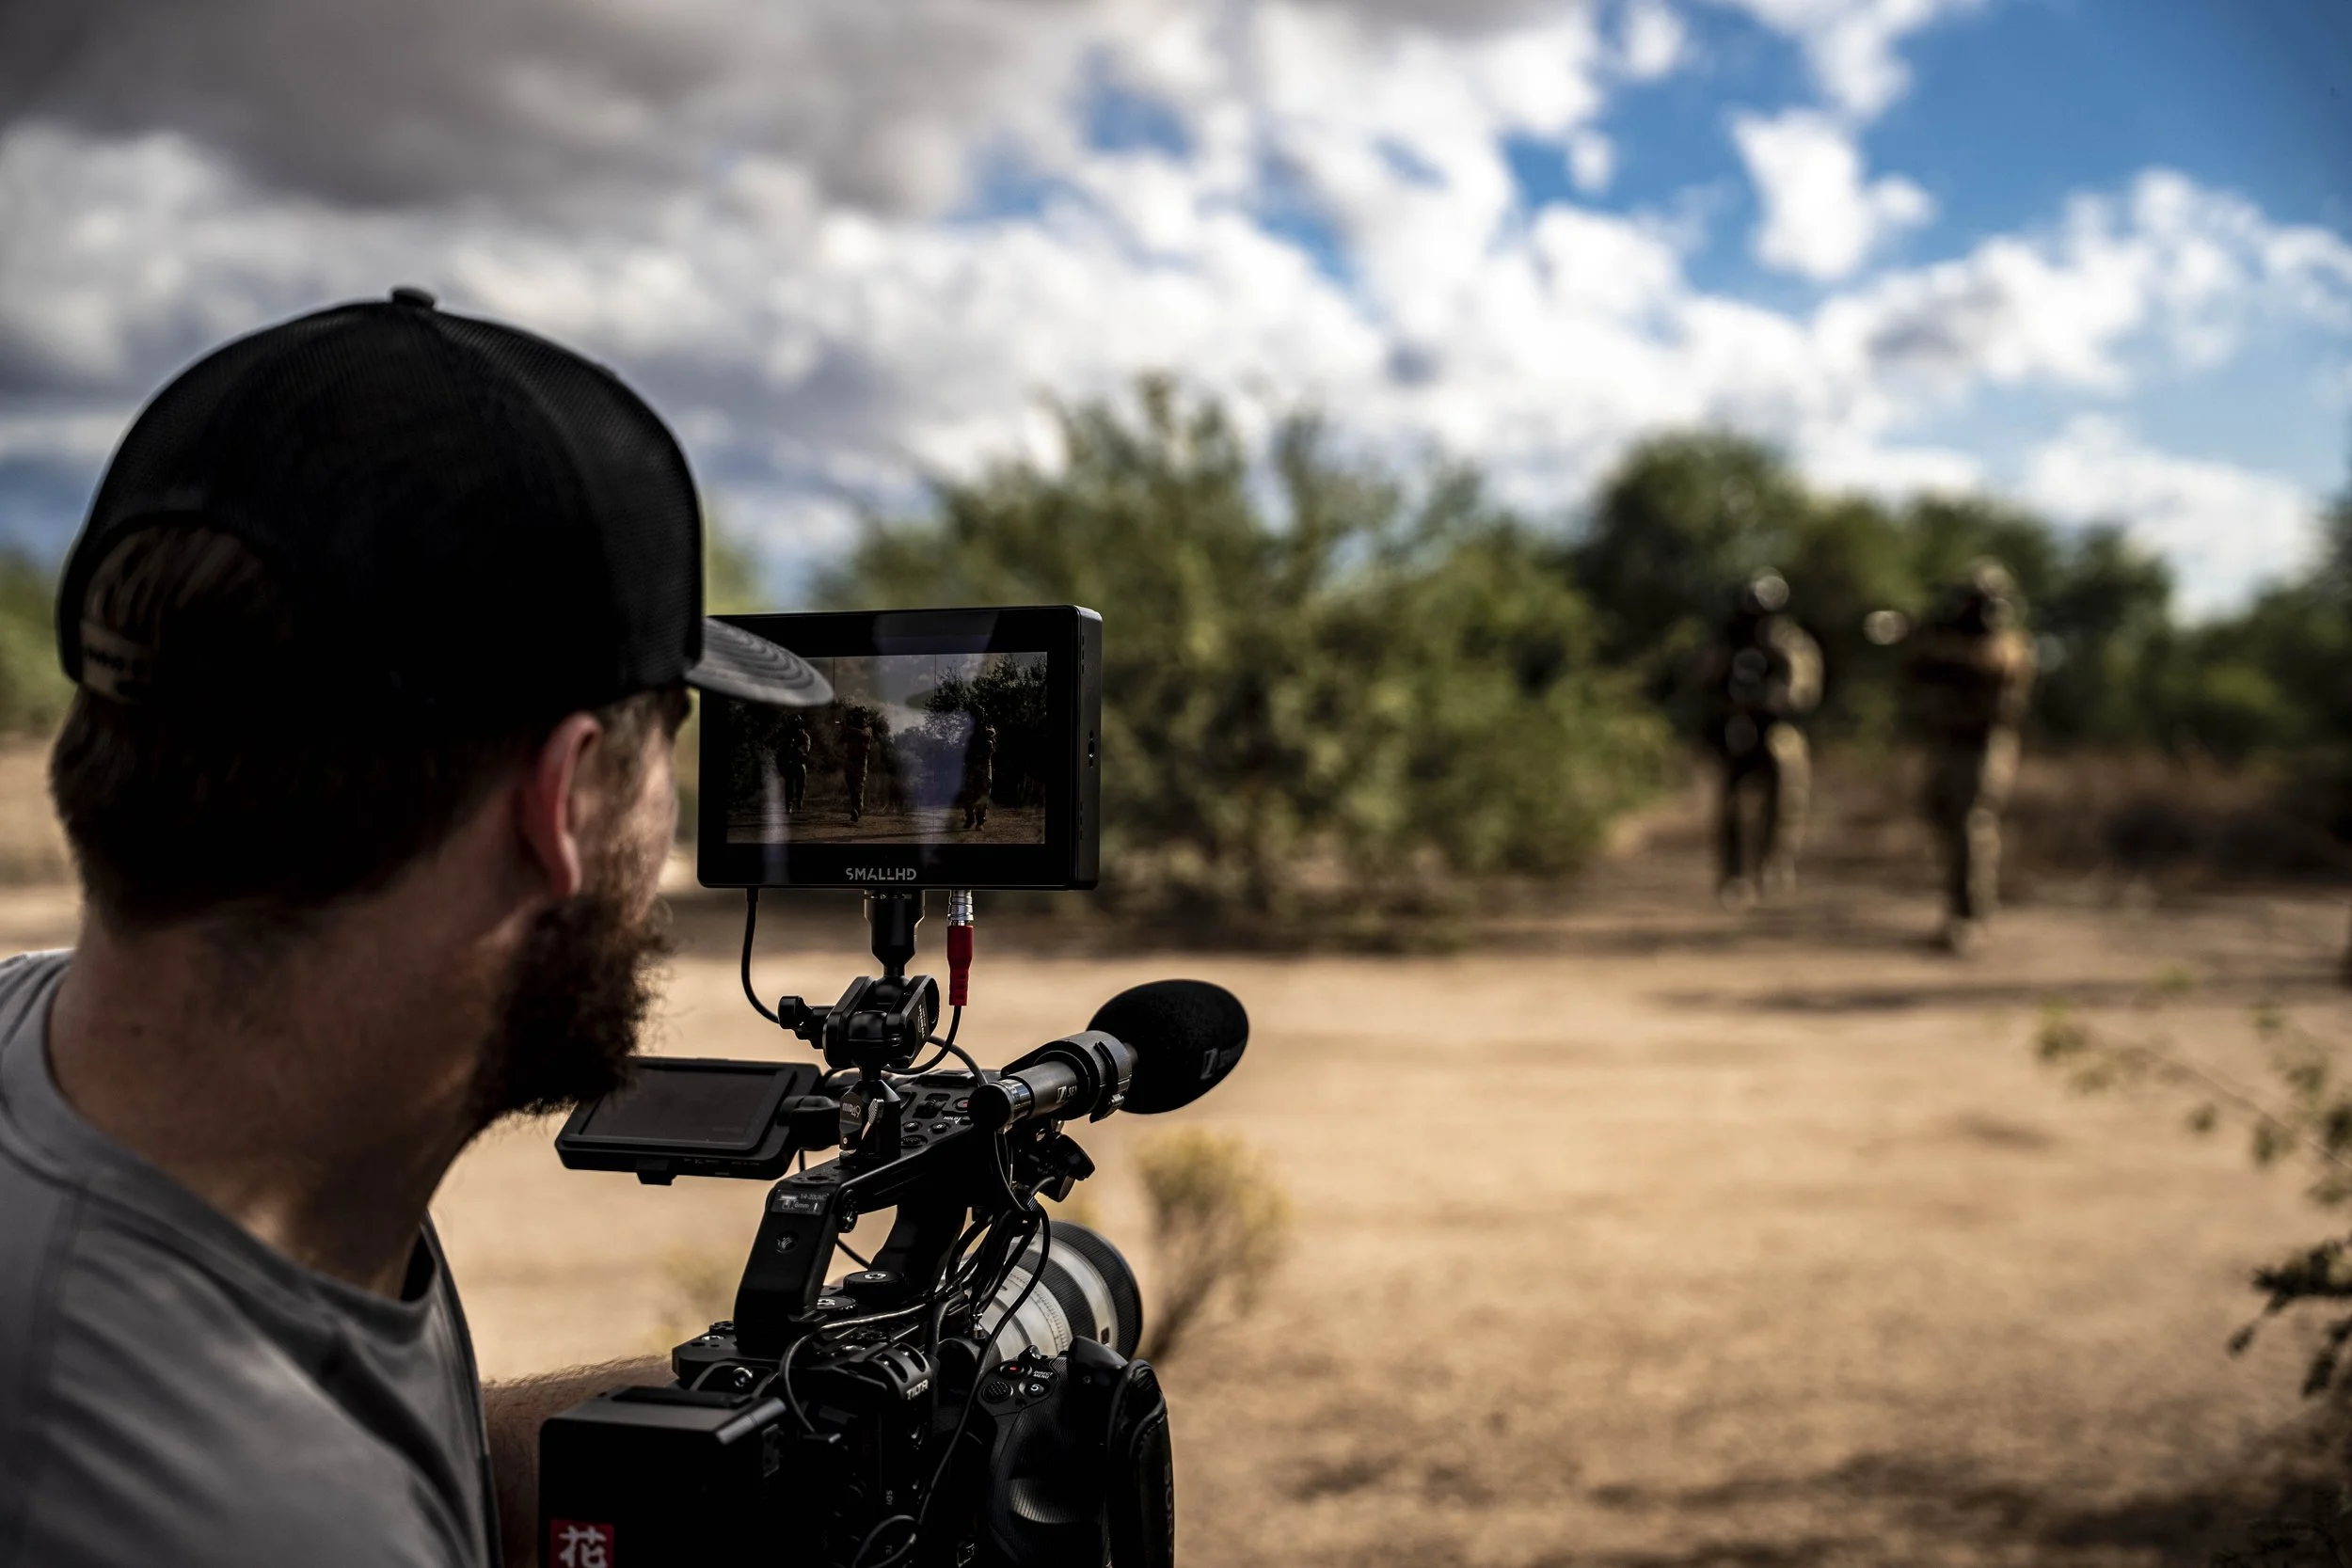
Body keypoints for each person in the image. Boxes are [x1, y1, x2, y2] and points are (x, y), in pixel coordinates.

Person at [0, 289, 831, 1568]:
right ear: (564, 801)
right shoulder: (233, 1513)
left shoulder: (124, 1081)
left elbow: (392, 1442)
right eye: (669, 741)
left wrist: (782, 1416)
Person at [1902, 559, 2037, 955]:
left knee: (1971, 825)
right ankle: (1959, 907)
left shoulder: (2007, 645)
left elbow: (1992, 666)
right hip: (1948, 745)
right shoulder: (1951, 643)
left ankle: (1969, 917)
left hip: (1984, 746)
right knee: (1939, 815)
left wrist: (1939, 645)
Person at [1699, 571, 1822, 909]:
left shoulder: (1789, 642)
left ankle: (1774, 863)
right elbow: (1705, 682)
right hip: (1737, 729)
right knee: (1731, 807)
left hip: (1776, 729)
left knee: (1785, 798)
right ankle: (1734, 875)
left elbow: (1802, 689)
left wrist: (1771, 699)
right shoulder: (1729, 642)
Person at [960, 722, 998, 831]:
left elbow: (991, 743)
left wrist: (986, 731)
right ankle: (970, 819)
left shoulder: (988, 729)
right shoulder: (969, 730)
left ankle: (980, 821)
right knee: (968, 794)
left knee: (982, 794)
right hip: (971, 766)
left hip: (984, 766)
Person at [842, 710, 872, 823]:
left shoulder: (868, 729)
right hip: (850, 761)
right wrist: (844, 727)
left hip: (861, 763)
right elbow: (841, 739)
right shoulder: (851, 730)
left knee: (858, 787)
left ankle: (857, 810)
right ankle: (855, 808)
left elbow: (862, 734)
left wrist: (848, 727)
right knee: (851, 787)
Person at [781, 717, 811, 814]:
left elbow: (806, 748)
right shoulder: (788, 736)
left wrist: (795, 750)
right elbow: (783, 749)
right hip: (790, 762)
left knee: (800, 785)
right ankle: (789, 804)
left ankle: (799, 800)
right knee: (789, 785)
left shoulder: (804, 736)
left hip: (800, 763)